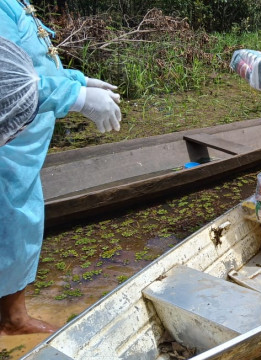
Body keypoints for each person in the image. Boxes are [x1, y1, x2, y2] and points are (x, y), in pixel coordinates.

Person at [0, 0, 121, 335]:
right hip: (8, 149)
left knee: (20, 223)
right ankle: (13, 319)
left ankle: (11, 314)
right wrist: (75, 96)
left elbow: (32, 64)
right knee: (10, 225)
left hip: (20, 148)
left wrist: (78, 79)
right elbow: (6, 81)